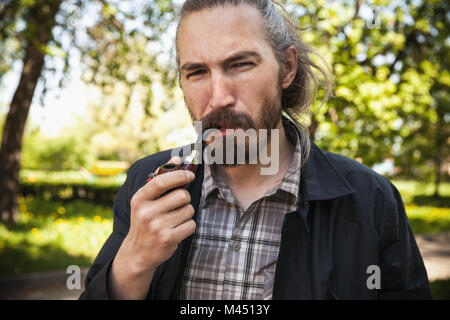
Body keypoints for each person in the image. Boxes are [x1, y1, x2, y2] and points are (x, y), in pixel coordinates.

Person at [79, 0, 431, 300]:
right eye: (197, 72)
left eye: (240, 64)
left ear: (287, 68)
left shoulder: (371, 201)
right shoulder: (148, 182)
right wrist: (133, 263)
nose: (218, 97)